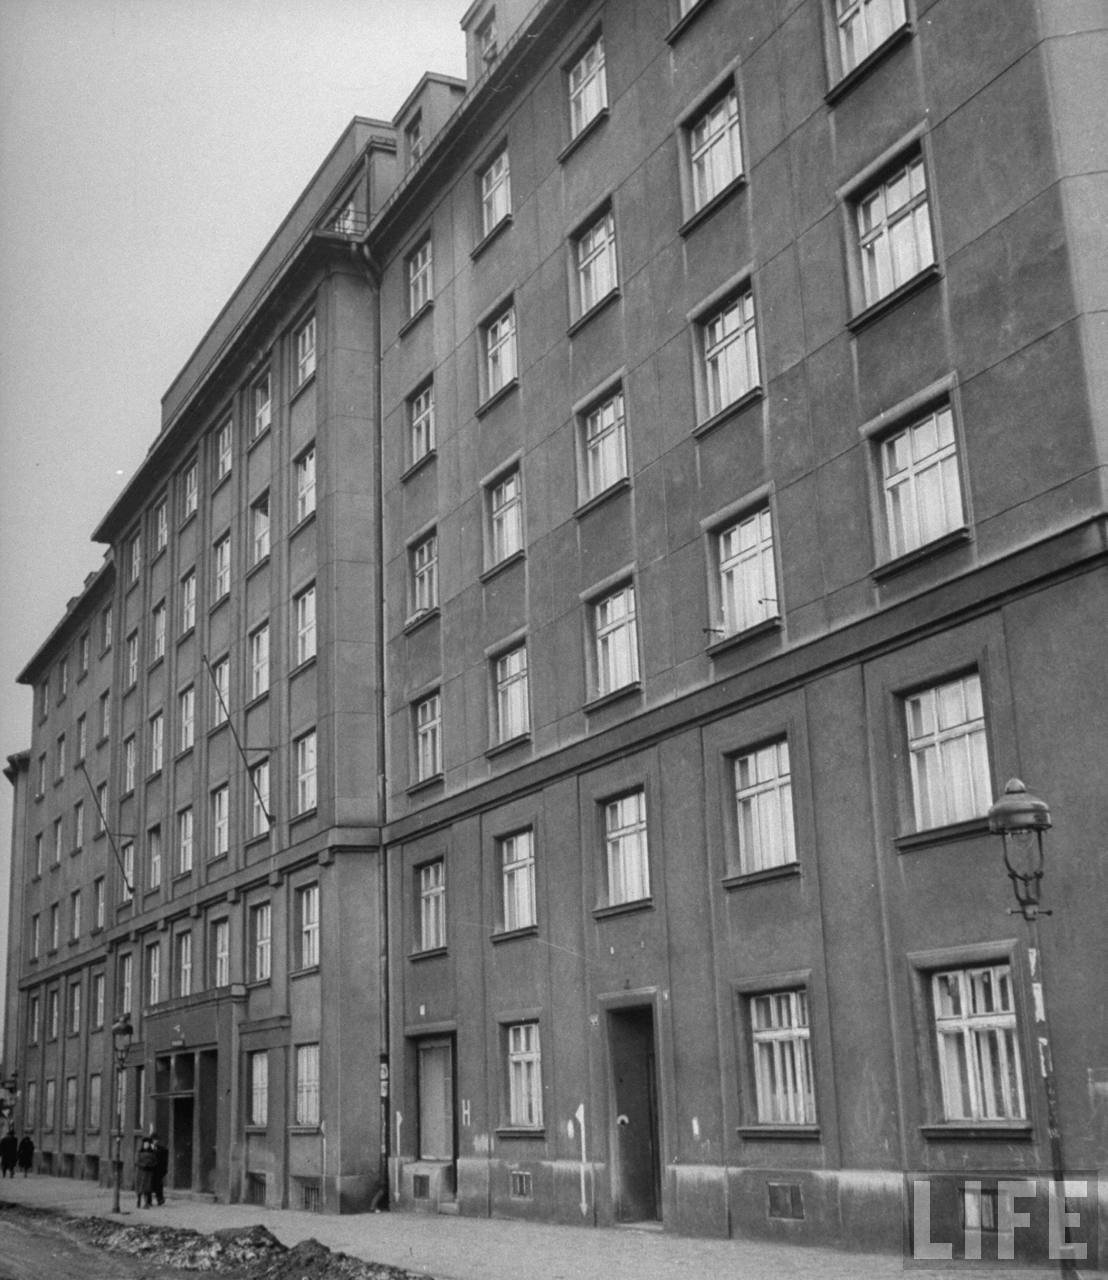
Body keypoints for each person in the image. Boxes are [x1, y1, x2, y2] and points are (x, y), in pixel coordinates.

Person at [135, 1136, 157, 1208]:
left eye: (147, 1144)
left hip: (148, 1173)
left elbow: (155, 1162)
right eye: (145, 1144)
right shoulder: (140, 1152)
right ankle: (138, 1201)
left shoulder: (152, 1153)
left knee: (147, 1188)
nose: (146, 1145)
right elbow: (136, 1162)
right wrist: (142, 1165)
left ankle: (146, 1203)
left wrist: (150, 1165)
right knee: (140, 1188)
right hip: (141, 1172)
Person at [151, 1134, 167, 1205]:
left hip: (158, 1171)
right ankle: (148, 1201)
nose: (156, 1141)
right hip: (150, 1170)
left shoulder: (161, 1149)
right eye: (154, 1140)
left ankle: (160, 1199)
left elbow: (164, 1160)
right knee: (149, 1186)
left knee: (159, 1185)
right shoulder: (147, 1149)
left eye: (157, 1140)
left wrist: (164, 1170)